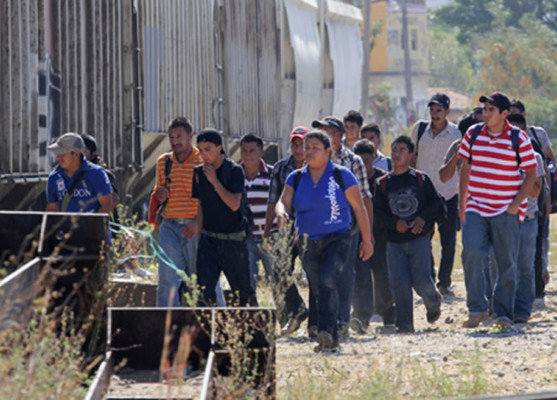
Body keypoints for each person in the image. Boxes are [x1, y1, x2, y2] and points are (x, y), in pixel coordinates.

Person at [275, 130, 373, 352]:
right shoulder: (296, 177)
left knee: (328, 280)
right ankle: (330, 331)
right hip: (307, 242)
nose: (308, 152)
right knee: (318, 286)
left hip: (337, 238)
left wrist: (367, 241)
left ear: (328, 151)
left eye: (314, 147)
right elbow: (283, 201)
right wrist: (281, 212)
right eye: (306, 147)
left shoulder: (342, 175)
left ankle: (327, 332)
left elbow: (359, 209)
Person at [458, 92, 537, 329]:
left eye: (491, 110)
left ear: (504, 114)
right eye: (485, 109)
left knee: (507, 264)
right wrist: (463, 203)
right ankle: (477, 309)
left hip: (506, 210)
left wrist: (515, 205)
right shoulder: (473, 134)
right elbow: (465, 168)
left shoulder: (518, 138)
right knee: (471, 252)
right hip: (476, 207)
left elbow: (531, 173)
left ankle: (503, 312)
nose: (485, 113)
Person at [311, 116, 374, 339]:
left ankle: (341, 322)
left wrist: (368, 235)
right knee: (320, 275)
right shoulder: (313, 158)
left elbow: (365, 198)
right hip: (318, 226)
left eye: (325, 132)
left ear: (338, 136)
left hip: (348, 227)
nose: (319, 136)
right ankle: (322, 321)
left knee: (345, 274)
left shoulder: (353, 162)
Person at [374, 135, 443, 333]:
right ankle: (405, 325)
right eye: (394, 149)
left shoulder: (421, 180)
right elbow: (377, 212)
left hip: (418, 239)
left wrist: (422, 219)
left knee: (422, 280)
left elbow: (436, 204)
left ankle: (433, 302)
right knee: (399, 284)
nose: (396, 154)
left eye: (402, 150)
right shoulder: (383, 184)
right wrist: (394, 223)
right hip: (394, 242)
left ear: (411, 155)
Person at [189, 129, 257, 307]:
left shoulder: (234, 171)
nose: (204, 154)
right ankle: (204, 333)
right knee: (203, 293)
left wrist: (214, 181)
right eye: (200, 150)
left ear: (219, 148)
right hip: (208, 240)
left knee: (243, 293)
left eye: (208, 149)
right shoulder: (198, 173)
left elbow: (234, 204)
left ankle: (254, 332)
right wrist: (199, 240)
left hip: (233, 241)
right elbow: (200, 206)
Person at [411, 93, 461, 297]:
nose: (435, 114)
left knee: (448, 240)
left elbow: (460, 163)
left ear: (447, 112)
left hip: (449, 192)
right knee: (424, 237)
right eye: (432, 110)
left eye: (439, 110)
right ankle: (429, 277)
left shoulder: (456, 134)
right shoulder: (420, 129)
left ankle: (445, 282)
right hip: (425, 194)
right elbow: (413, 156)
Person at [153, 117, 204, 307]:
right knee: (167, 280)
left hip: (194, 227)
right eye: (171, 137)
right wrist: (160, 194)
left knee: (203, 279)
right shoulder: (163, 162)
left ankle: (212, 324)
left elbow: (208, 199)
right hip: (170, 226)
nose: (175, 141)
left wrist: (197, 223)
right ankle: (167, 327)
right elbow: (158, 193)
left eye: (179, 137)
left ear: (190, 136)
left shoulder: (201, 160)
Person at [264, 126, 310, 336]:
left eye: (302, 144)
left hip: (311, 228)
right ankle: (299, 309)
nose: (298, 148)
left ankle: (318, 324)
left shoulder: (318, 167)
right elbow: (273, 200)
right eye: (294, 144)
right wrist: (267, 230)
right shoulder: (281, 168)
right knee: (279, 271)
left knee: (315, 274)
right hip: (285, 228)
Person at [509, 99, 553, 304]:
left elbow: (539, 187)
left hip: (530, 213)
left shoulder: (534, 154)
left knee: (532, 255)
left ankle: (535, 295)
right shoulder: (500, 155)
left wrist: (546, 205)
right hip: (504, 216)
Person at [351, 139, 395, 333]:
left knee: (382, 274)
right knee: (360, 276)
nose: (364, 166)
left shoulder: (384, 180)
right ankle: (361, 317)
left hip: (381, 234)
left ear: (374, 159)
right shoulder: (349, 180)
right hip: (357, 233)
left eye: (367, 161)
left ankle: (388, 315)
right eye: (360, 161)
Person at [505, 113, 546, 323]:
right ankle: (502, 308)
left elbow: (536, 191)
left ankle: (522, 310)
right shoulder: (500, 155)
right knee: (502, 265)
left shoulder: (535, 158)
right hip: (503, 218)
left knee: (524, 266)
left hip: (527, 219)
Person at [239, 133, 275, 290]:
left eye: (252, 151)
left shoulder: (273, 174)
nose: (247, 155)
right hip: (246, 238)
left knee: (277, 280)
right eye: (244, 151)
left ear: (261, 152)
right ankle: (251, 312)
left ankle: (285, 313)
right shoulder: (235, 175)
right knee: (247, 281)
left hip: (270, 237)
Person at [46, 132, 113, 213]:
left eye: (62, 153)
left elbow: (106, 205)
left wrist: (93, 224)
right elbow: (52, 209)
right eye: (57, 154)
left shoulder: (96, 173)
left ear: (76, 154)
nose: (58, 157)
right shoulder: (54, 177)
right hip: (65, 225)